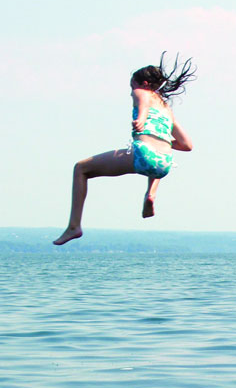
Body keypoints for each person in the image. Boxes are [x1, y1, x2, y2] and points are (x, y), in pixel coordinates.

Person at [53, 53, 195, 245]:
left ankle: (74, 226)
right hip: (165, 165)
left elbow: (143, 102)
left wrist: (141, 119)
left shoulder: (142, 93)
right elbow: (187, 145)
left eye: (131, 87)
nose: (131, 92)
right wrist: (164, 139)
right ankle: (150, 194)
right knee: (159, 152)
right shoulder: (166, 108)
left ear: (143, 84)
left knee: (80, 168)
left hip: (144, 155)